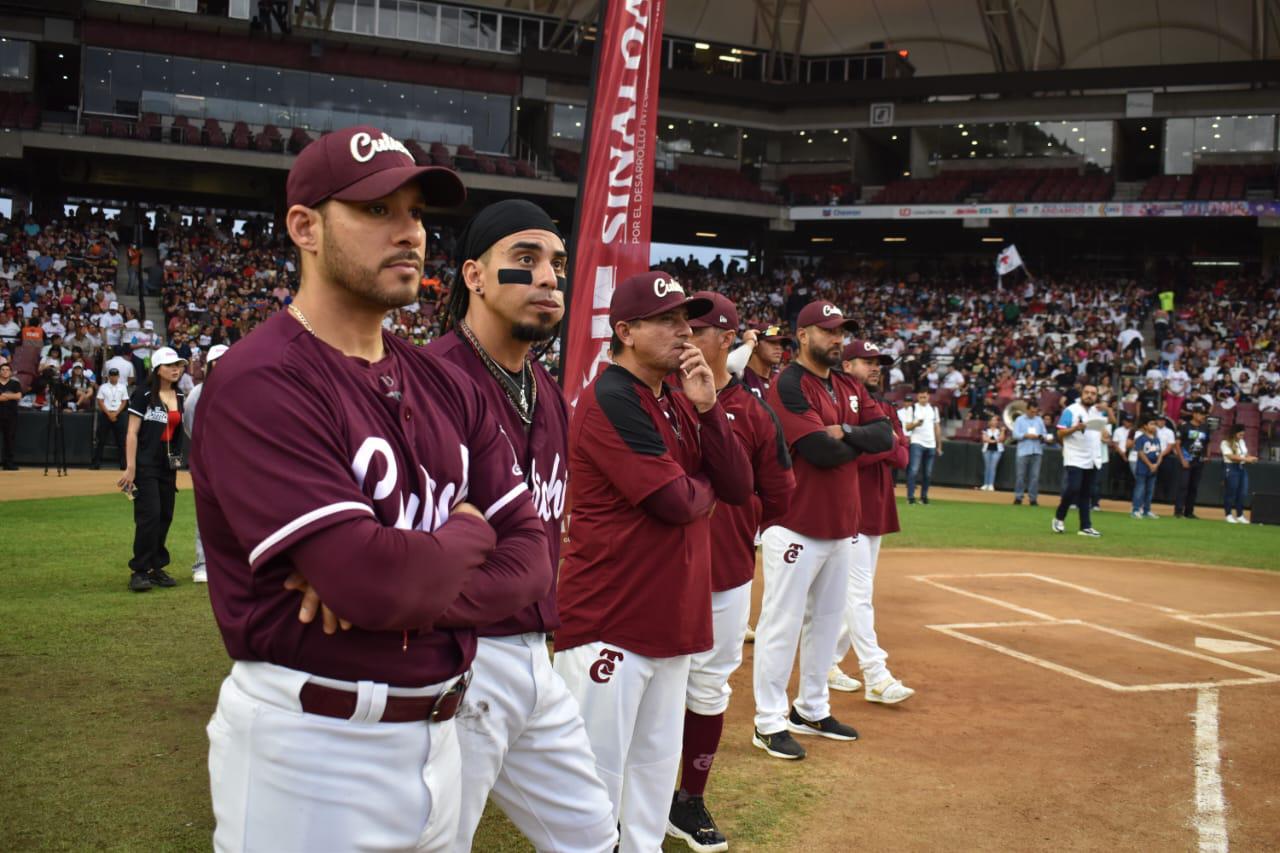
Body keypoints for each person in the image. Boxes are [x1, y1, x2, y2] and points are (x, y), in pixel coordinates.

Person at [192, 125, 550, 851]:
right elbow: (377, 582)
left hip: (442, 736)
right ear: (305, 228)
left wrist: (405, 587)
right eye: (377, 210)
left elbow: (534, 556)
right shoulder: (261, 378)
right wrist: (467, 532)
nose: (410, 232)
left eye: (415, 212)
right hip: (310, 749)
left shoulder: (446, 382)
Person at [427, 199, 618, 852]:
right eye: (525, 259)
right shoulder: (433, 382)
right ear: (474, 276)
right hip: (462, 655)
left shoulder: (544, 389)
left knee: (592, 834)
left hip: (537, 652)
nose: (547, 277)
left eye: (557, 264)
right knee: (436, 840)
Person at [553, 271, 752, 851]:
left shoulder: (678, 399)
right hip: (612, 618)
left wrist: (709, 408)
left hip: (670, 618)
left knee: (652, 772)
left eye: (685, 319)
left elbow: (738, 486)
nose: (683, 331)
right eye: (666, 320)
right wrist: (701, 487)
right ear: (625, 332)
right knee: (592, 784)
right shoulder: (612, 396)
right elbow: (674, 502)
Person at [670, 291, 795, 852]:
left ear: (726, 339)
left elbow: (780, 495)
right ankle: (633, 796)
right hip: (658, 573)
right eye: (680, 326)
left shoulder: (755, 412)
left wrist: (736, 525)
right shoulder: (654, 395)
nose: (684, 337)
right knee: (649, 688)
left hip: (724, 575)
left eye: (696, 330)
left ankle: (689, 798)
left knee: (708, 687)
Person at [754, 300, 893, 761]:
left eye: (841, 332)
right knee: (782, 624)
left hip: (841, 526)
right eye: (829, 331)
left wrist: (844, 431)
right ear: (803, 335)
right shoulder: (788, 383)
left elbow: (886, 435)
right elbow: (819, 450)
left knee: (827, 623)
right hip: (795, 524)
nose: (837, 339)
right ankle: (768, 720)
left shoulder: (848, 383)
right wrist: (853, 437)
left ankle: (811, 709)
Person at [829, 340, 914, 704]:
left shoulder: (884, 407)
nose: (876, 366)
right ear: (847, 365)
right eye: (867, 361)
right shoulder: (836, 401)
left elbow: (903, 457)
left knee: (855, 594)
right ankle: (876, 675)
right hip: (849, 508)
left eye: (879, 362)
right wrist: (881, 444)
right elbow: (842, 455)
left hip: (877, 509)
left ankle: (828, 663)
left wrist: (872, 444)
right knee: (859, 594)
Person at [120, 347, 188, 592]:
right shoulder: (143, 394)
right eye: (170, 365)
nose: (175, 369)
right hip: (146, 462)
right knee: (149, 516)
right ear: (158, 369)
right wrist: (130, 467)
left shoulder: (179, 395)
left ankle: (156, 567)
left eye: (178, 365)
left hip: (168, 464)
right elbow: (132, 432)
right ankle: (139, 570)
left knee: (165, 515)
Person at [182, 344, 229, 584]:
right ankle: (202, 564)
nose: (222, 365)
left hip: (238, 461)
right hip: (208, 460)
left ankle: (236, 565)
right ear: (209, 365)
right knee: (208, 513)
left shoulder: (243, 389)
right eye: (217, 361)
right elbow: (190, 425)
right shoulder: (198, 393)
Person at [1052, 384, 1110, 537]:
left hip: (1092, 456)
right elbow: (1060, 433)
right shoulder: (1071, 410)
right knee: (1073, 488)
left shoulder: (1096, 412)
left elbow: (1105, 430)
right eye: (1087, 392)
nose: (1089, 395)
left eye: (1093, 393)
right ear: (1081, 394)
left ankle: (1085, 526)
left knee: (1086, 492)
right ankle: (1059, 517)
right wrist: (1075, 428)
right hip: (1075, 455)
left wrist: (1104, 433)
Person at [900, 388, 942, 505]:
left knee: (928, 473)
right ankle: (910, 497)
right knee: (913, 470)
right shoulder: (912, 408)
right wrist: (916, 424)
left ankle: (924, 497)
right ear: (917, 397)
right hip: (917, 441)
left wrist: (939, 445)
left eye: (925, 397)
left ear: (929, 397)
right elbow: (907, 427)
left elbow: (937, 427)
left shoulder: (934, 409)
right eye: (920, 397)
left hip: (931, 443)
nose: (923, 399)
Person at [727, 322, 788, 399]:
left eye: (781, 344)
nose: (779, 347)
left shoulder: (780, 379)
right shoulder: (741, 374)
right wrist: (750, 342)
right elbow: (729, 365)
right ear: (755, 345)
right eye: (772, 342)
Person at [1173, 402, 1210, 519]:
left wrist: (1207, 455)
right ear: (1194, 414)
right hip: (1186, 459)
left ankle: (1189, 512)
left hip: (1198, 460)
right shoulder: (1184, 426)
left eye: (1204, 414)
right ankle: (1178, 511)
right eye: (1200, 414)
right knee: (1183, 486)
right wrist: (1182, 459)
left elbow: (1208, 442)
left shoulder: (1205, 427)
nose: (1202, 416)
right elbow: (1177, 444)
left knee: (1194, 487)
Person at [91, 367, 130, 470]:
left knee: (121, 441)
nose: (113, 378)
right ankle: (96, 463)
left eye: (115, 376)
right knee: (101, 440)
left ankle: (124, 464)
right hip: (106, 413)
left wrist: (116, 413)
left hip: (119, 414)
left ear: (118, 376)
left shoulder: (123, 387)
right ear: (108, 376)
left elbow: (124, 401)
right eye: (112, 376)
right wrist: (109, 414)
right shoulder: (103, 387)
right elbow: (100, 401)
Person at [1011, 401, 1046, 505]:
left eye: (1035, 412)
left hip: (1037, 450)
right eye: (1031, 411)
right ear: (1027, 410)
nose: (1033, 413)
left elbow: (1044, 433)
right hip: (1023, 451)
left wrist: (1041, 436)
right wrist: (1026, 435)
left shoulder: (1039, 420)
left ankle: (1033, 498)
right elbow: (1015, 435)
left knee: (1035, 476)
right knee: (1020, 475)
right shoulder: (1019, 420)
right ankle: (1018, 497)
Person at [1220, 423, 1256, 524]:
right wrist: (1246, 459)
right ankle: (1228, 514)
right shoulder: (1225, 442)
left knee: (1242, 493)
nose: (1242, 436)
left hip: (1241, 468)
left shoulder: (1242, 441)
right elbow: (1231, 456)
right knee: (1231, 492)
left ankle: (1240, 515)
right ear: (1234, 433)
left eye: (1243, 435)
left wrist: (1251, 458)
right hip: (1231, 468)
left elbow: (1245, 453)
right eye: (1240, 434)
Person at [1130, 416, 1161, 520]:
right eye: (1151, 424)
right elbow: (1140, 453)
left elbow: (1159, 453)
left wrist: (1156, 465)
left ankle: (1147, 510)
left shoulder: (1156, 439)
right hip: (1143, 468)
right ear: (1145, 426)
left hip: (1153, 469)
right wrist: (1150, 465)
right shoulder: (1141, 438)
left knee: (1150, 491)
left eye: (1155, 424)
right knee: (1140, 489)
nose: (1154, 426)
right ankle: (1135, 510)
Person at [0, 362, 20, 470]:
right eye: (3, 369)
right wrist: (10, 396)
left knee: (9, 439)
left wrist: (4, 395)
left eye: (7, 370)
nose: (5, 371)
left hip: (11, 415)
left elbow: (18, 396)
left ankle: (8, 463)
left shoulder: (15, 383)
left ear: (10, 372)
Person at [979, 414, 1006, 491]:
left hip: (997, 450)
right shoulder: (986, 429)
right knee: (987, 467)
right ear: (990, 421)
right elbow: (985, 439)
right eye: (993, 420)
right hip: (987, 450)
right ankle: (985, 484)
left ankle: (991, 484)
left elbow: (1001, 439)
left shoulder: (1000, 429)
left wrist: (1003, 431)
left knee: (993, 467)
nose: (995, 421)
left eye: (996, 420)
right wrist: (995, 441)